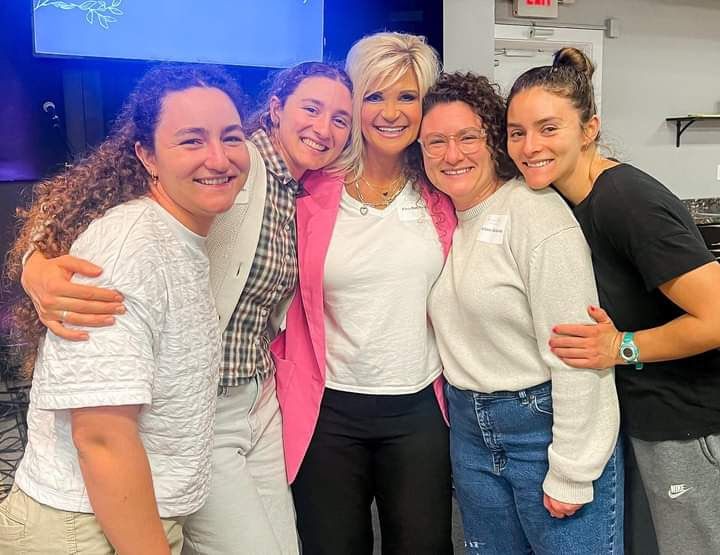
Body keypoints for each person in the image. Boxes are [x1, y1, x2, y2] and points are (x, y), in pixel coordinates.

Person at [17, 61, 354, 555]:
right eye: (311, 108)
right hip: (201, 408)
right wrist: (35, 265)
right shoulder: (234, 166)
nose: (324, 128)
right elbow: (78, 210)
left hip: (254, 396)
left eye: (340, 119)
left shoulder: (305, 189)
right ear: (275, 108)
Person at [0, 64, 252, 554]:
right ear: (146, 155)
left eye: (231, 137)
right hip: (84, 529)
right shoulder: (131, 248)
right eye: (192, 140)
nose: (218, 157)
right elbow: (101, 438)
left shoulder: (171, 234)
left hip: (119, 516)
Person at [506, 47, 720, 555]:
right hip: (639, 419)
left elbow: (716, 315)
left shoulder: (625, 199)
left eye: (549, 128)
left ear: (589, 130)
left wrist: (620, 347)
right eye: (517, 132)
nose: (530, 146)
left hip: (686, 423)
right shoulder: (562, 200)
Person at [418, 71, 623, 554]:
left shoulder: (535, 214)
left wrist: (572, 470)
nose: (452, 155)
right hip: (470, 430)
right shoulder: (445, 221)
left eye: (468, 137)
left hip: (542, 429)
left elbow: (577, 352)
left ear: (493, 139)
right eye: (436, 142)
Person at [271, 32, 455, 554]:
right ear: (354, 103)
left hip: (419, 409)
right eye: (375, 96)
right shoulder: (309, 187)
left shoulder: (442, 190)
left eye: (407, 97)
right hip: (327, 410)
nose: (391, 113)